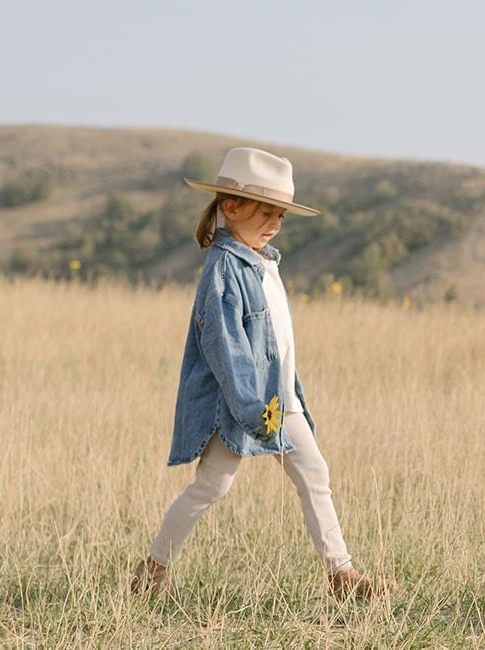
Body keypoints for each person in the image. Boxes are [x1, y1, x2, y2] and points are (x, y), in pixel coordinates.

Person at [130, 147, 395, 599]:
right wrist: (251, 406)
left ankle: (342, 576)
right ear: (231, 207)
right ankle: (152, 571)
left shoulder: (265, 262)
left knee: (314, 473)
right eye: (266, 212)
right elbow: (225, 346)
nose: (274, 223)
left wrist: (284, 395)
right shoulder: (223, 269)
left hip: (280, 399)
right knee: (212, 486)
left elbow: (277, 342)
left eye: (281, 216)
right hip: (240, 402)